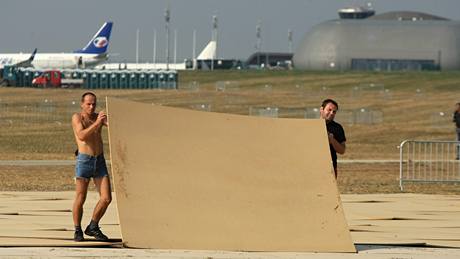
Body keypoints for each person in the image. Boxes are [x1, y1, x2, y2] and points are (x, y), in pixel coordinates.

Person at [71, 92, 111, 242]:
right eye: (88, 104)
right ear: (82, 104)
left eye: (94, 103)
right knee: (81, 198)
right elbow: (81, 135)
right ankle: (77, 229)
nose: (91, 106)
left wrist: (107, 121)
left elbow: (115, 127)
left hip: (99, 161)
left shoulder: (98, 117)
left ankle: (93, 226)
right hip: (84, 161)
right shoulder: (77, 117)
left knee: (106, 198)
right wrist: (97, 123)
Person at [319, 99, 346, 178]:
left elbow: (342, 150)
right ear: (321, 109)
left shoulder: (337, 128)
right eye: (329, 110)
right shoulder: (311, 126)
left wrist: (332, 140)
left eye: (334, 112)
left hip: (330, 167)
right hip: (312, 166)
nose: (331, 113)